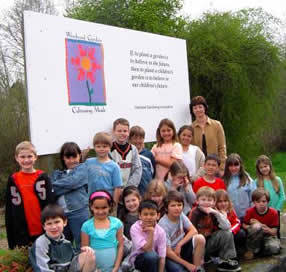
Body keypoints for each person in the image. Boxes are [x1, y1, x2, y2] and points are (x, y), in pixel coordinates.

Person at [5, 141, 54, 249]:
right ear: (16, 158)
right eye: (22, 157)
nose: (26, 160)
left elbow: (50, 204)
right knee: (26, 261)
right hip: (22, 229)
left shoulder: (43, 177)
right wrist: (11, 238)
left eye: (29, 156)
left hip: (42, 227)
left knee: (45, 258)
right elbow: (9, 209)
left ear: (35, 157)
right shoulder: (13, 179)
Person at [29, 204, 96, 272]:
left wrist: (85, 250)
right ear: (44, 226)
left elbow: (73, 261)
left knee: (89, 254)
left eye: (57, 222)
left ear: (64, 222)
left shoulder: (66, 242)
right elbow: (42, 269)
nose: (54, 227)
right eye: (49, 224)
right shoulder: (41, 244)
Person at [189, 187, 241, 272]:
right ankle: (199, 264)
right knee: (199, 238)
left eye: (209, 200)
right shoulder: (195, 213)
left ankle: (226, 261)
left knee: (226, 233)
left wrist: (217, 213)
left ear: (214, 202)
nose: (206, 202)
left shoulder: (213, 212)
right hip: (196, 246)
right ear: (197, 201)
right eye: (203, 199)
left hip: (209, 243)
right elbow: (191, 233)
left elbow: (226, 227)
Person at [51, 142, 89, 250]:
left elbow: (73, 182)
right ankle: (67, 264)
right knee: (63, 242)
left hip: (79, 211)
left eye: (74, 156)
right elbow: (52, 192)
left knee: (82, 242)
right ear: (63, 158)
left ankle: (83, 265)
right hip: (61, 214)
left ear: (80, 155)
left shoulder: (82, 169)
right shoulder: (56, 174)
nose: (72, 160)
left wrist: (54, 186)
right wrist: (56, 188)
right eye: (68, 157)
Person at [158, 190, 205, 272]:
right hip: (170, 255)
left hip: (181, 248)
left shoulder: (180, 215)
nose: (177, 208)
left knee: (200, 238)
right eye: (173, 205)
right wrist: (187, 264)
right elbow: (168, 252)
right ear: (166, 208)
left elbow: (194, 231)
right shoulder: (163, 224)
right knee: (180, 270)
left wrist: (179, 245)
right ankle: (190, 266)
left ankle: (197, 269)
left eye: (179, 205)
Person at [81, 190, 124, 272]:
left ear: (110, 206)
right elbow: (85, 250)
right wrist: (94, 269)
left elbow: (120, 246)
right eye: (97, 208)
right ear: (91, 207)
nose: (100, 211)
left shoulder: (117, 223)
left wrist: (116, 267)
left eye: (104, 207)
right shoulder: (86, 226)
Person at [190, 96, 227, 175]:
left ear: (205, 108)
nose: (198, 110)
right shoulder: (191, 128)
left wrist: (222, 167)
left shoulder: (217, 125)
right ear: (192, 110)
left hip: (215, 166)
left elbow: (222, 147)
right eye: (195, 108)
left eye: (200, 107)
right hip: (199, 169)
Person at [130, 200, 166, 272]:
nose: (149, 217)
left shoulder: (161, 231)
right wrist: (151, 232)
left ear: (158, 216)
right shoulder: (135, 228)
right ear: (140, 215)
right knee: (151, 256)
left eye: (152, 214)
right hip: (139, 260)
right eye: (145, 214)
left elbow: (162, 256)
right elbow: (147, 249)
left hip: (155, 260)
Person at [243, 189, 280, 259]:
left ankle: (261, 249)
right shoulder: (250, 211)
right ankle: (251, 250)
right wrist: (252, 227)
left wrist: (264, 227)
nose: (261, 204)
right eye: (258, 201)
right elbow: (244, 225)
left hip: (268, 236)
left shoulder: (273, 213)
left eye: (264, 201)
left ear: (268, 202)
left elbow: (274, 231)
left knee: (274, 248)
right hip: (255, 236)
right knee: (256, 226)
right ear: (254, 202)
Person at [86, 132, 122, 205]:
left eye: (104, 146)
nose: (101, 149)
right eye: (98, 146)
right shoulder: (88, 162)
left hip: (108, 202)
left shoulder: (114, 166)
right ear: (94, 147)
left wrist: (114, 204)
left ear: (110, 147)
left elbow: (117, 188)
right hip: (91, 202)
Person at [223, 153, 256, 221]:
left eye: (236, 165)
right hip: (230, 217)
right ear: (227, 167)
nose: (233, 168)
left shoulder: (248, 180)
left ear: (240, 165)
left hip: (246, 216)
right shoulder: (224, 180)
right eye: (231, 165)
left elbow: (254, 198)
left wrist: (251, 214)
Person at [110, 118, 142, 188]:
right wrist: (116, 188)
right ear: (114, 131)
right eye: (119, 131)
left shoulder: (133, 149)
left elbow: (137, 169)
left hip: (129, 189)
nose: (122, 133)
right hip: (113, 188)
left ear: (128, 132)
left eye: (125, 131)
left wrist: (129, 187)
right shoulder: (110, 149)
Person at [215, 189, 246, 254]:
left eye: (225, 201)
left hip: (231, 232)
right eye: (220, 202)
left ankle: (238, 249)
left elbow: (237, 222)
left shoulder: (230, 211)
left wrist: (231, 230)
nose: (223, 204)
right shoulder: (214, 213)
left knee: (241, 233)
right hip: (220, 236)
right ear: (215, 203)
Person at [129, 125, 156, 195]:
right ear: (130, 139)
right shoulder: (127, 155)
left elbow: (153, 173)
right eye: (135, 138)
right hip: (131, 193)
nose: (138, 141)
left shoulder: (148, 154)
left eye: (140, 138)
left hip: (146, 192)